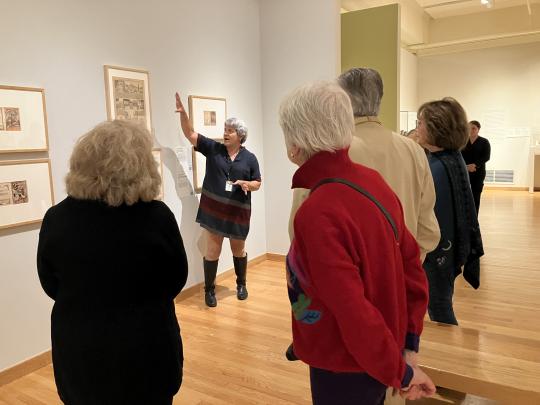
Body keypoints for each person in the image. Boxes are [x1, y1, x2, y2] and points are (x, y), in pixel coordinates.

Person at [280, 81, 436, 404]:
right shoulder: (371, 182)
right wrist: (408, 343)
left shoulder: (318, 210)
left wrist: (402, 372)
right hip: (371, 355)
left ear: (295, 145)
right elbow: (412, 269)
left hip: (344, 365)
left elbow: (352, 310)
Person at [37, 120, 188, 405]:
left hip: (80, 351)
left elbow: (50, 283)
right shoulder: (156, 217)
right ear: (140, 165)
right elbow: (175, 279)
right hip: (146, 351)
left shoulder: (56, 218)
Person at [290, 68, 440, 263]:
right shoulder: (414, 150)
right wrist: (406, 265)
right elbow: (428, 230)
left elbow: (299, 228)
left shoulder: (325, 153)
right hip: (402, 273)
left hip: (344, 276)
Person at [175, 93, 261, 307]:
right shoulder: (214, 150)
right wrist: (184, 115)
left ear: (240, 135)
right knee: (212, 250)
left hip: (237, 212)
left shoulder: (250, 158)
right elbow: (190, 133)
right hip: (214, 211)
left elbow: (258, 182)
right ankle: (209, 290)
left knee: (237, 250)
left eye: (230, 131)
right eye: (224, 130)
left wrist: (248, 184)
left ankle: (241, 284)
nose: (225, 134)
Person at [416, 98, 484, 325]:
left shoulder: (438, 167)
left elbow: (431, 215)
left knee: (440, 305)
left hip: (440, 252)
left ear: (437, 128)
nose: (417, 127)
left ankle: (454, 357)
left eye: (421, 122)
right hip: (448, 248)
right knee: (441, 302)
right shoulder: (450, 159)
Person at [461, 120, 491, 214]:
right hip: (465, 171)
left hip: (478, 172)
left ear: (478, 129)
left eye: (473, 128)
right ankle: (465, 217)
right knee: (464, 195)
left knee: (475, 196)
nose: (471, 130)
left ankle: (474, 218)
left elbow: (486, 157)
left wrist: (474, 165)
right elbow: (459, 155)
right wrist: (466, 167)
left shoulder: (484, 142)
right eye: (469, 128)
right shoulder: (463, 141)